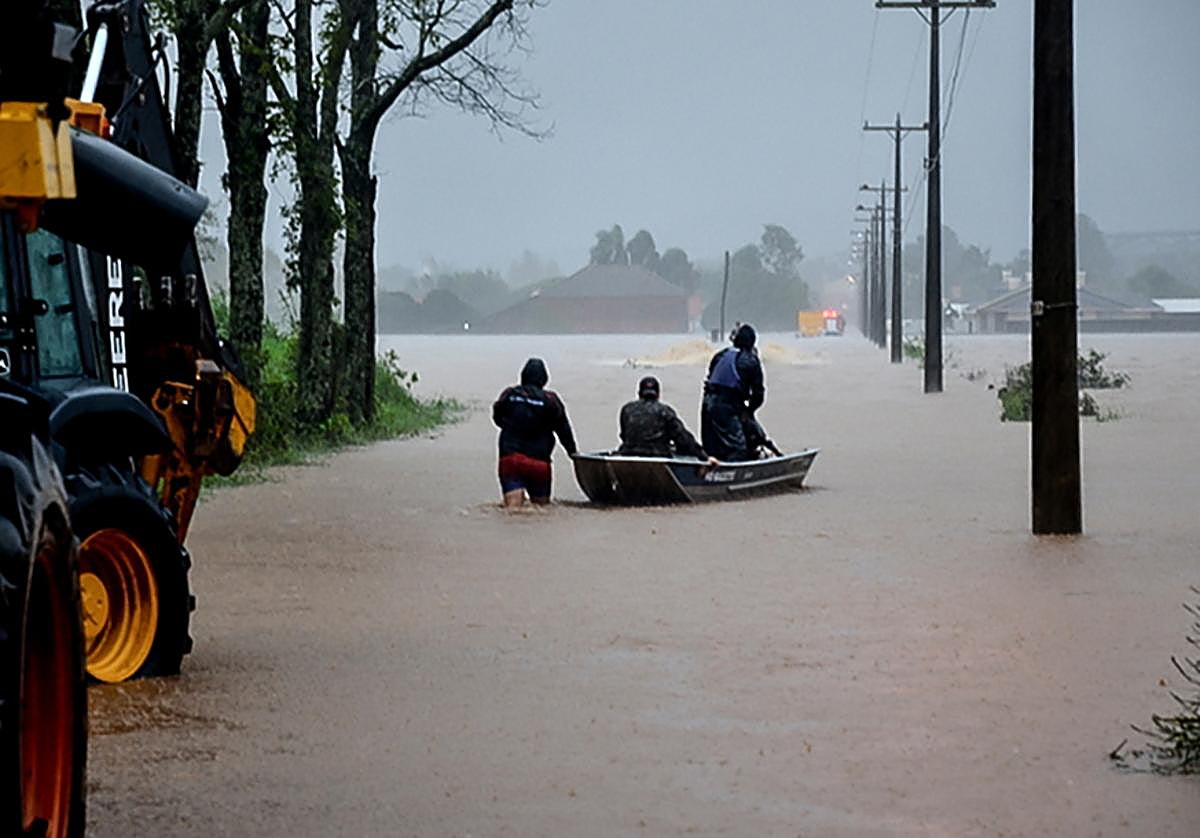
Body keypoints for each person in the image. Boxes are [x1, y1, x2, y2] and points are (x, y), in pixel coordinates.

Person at [492, 358, 577, 508]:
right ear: (544, 379)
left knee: (513, 509)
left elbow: (497, 417)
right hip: (539, 464)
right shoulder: (551, 400)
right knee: (541, 510)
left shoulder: (509, 394)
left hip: (511, 459)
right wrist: (573, 453)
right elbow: (564, 431)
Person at [701, 323, 765, 462]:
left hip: (707, 403)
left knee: (710, 447)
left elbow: (711, 378)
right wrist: (749, 412)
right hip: (727, 406)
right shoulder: (751, 361)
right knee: (738, 448)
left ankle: (710, 463)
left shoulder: (720, 355)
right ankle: (734, 470)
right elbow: (758, 394)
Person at [618, 376, 711, 460]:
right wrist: (704, 456)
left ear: (639, 393)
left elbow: (623, 436)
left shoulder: (626, 410)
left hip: (628, 454)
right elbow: (683, 439)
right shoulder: (665, 412)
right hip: (658, 457)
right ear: (658, 394)